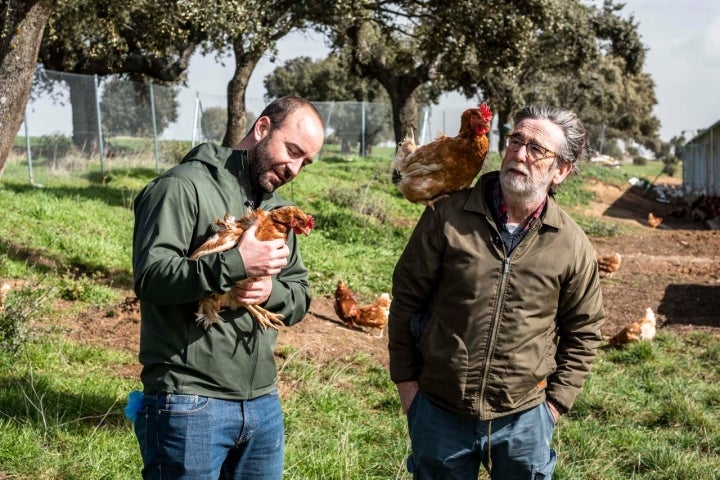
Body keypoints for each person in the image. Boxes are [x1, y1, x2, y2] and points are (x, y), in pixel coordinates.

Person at [388, 104, 605, 479]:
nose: (519, 153)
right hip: (440, 412)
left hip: (524, 419)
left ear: (562, 171)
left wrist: (554, 405)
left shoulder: (572, 245)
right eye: (516, 140)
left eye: (537, 149)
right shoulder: (447, 217)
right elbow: (406, 300)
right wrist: (408, 387)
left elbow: (584, 331)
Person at [131, 96, 324, 480]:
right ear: (263, 128)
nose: (295, 168)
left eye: (306, 161)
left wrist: (270, 292)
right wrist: (236, 264)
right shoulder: (182, 187)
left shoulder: (278, 210)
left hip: (262, 403)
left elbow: (300, 294)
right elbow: (151, 279)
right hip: (188, 400)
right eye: (292, 151)